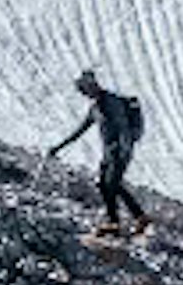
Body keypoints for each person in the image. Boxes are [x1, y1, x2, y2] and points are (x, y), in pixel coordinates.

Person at [46, 68, 151, 236]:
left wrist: (123, 150)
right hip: (110, 153)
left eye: (85, 89)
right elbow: (79, 131)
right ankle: (135, 218)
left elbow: (123, 127)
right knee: (104, 184)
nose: (85, 94)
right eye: (83, 91)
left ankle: (119, 221)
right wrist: (58, 147)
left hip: (120, 151)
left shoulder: (112, 102)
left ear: (93, 85)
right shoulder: (95, 109)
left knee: (111, 184)